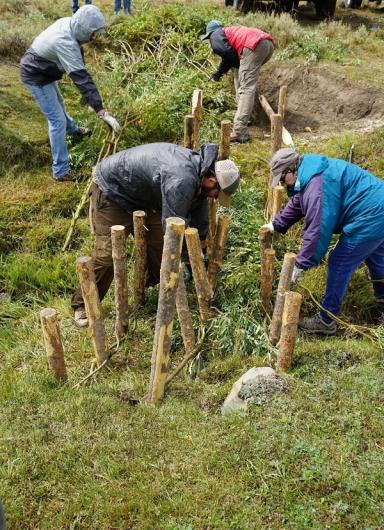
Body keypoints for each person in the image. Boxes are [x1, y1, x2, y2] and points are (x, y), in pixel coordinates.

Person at [71, 142, 240, 327]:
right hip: (113, 190)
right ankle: (82, 305)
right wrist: (190, 260)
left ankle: (149, 288)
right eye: (217, 194)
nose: (215, 198)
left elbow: (198, 218)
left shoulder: (200, 173)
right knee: (106, 255)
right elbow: (174, 230)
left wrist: (202, 256)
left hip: (142, 194)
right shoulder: (181, 181)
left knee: (158, 243)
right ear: (212, 181)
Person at [262, 147, 384, 335]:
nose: (283, 184)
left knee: (339, 260)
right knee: (375, 255)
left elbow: (318, 230)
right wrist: (276, 224)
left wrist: (300, 264)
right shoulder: (310, 172)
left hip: (371, 215)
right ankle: (382, 299)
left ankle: (326, 320)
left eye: (282, 178)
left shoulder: (316, 186)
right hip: (378, 206)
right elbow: (299, 202)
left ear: (291, 170)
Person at [20, 5, 121, 182]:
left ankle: (74, 130)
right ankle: (61, 170)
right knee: (56, 120)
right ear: (84, 29)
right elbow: (81, 77)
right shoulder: (64, 41)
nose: (92, 38)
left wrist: (88, 96)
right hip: (35, 75)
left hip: (44, 69)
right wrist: (100, 110)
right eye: (92, 34)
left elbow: (77, 57)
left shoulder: (69, 24)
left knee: (60, 104)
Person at [200, 20, 274, 144]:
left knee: (246, 87)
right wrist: (217, 75)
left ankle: (240, 130)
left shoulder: (216, 34)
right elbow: (229, 57)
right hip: (267, 44)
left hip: (252, 46)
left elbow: (226, 53)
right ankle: (245, 118)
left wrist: (219, 73)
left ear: (210, 33)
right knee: (240, 78)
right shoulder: (229, 33)